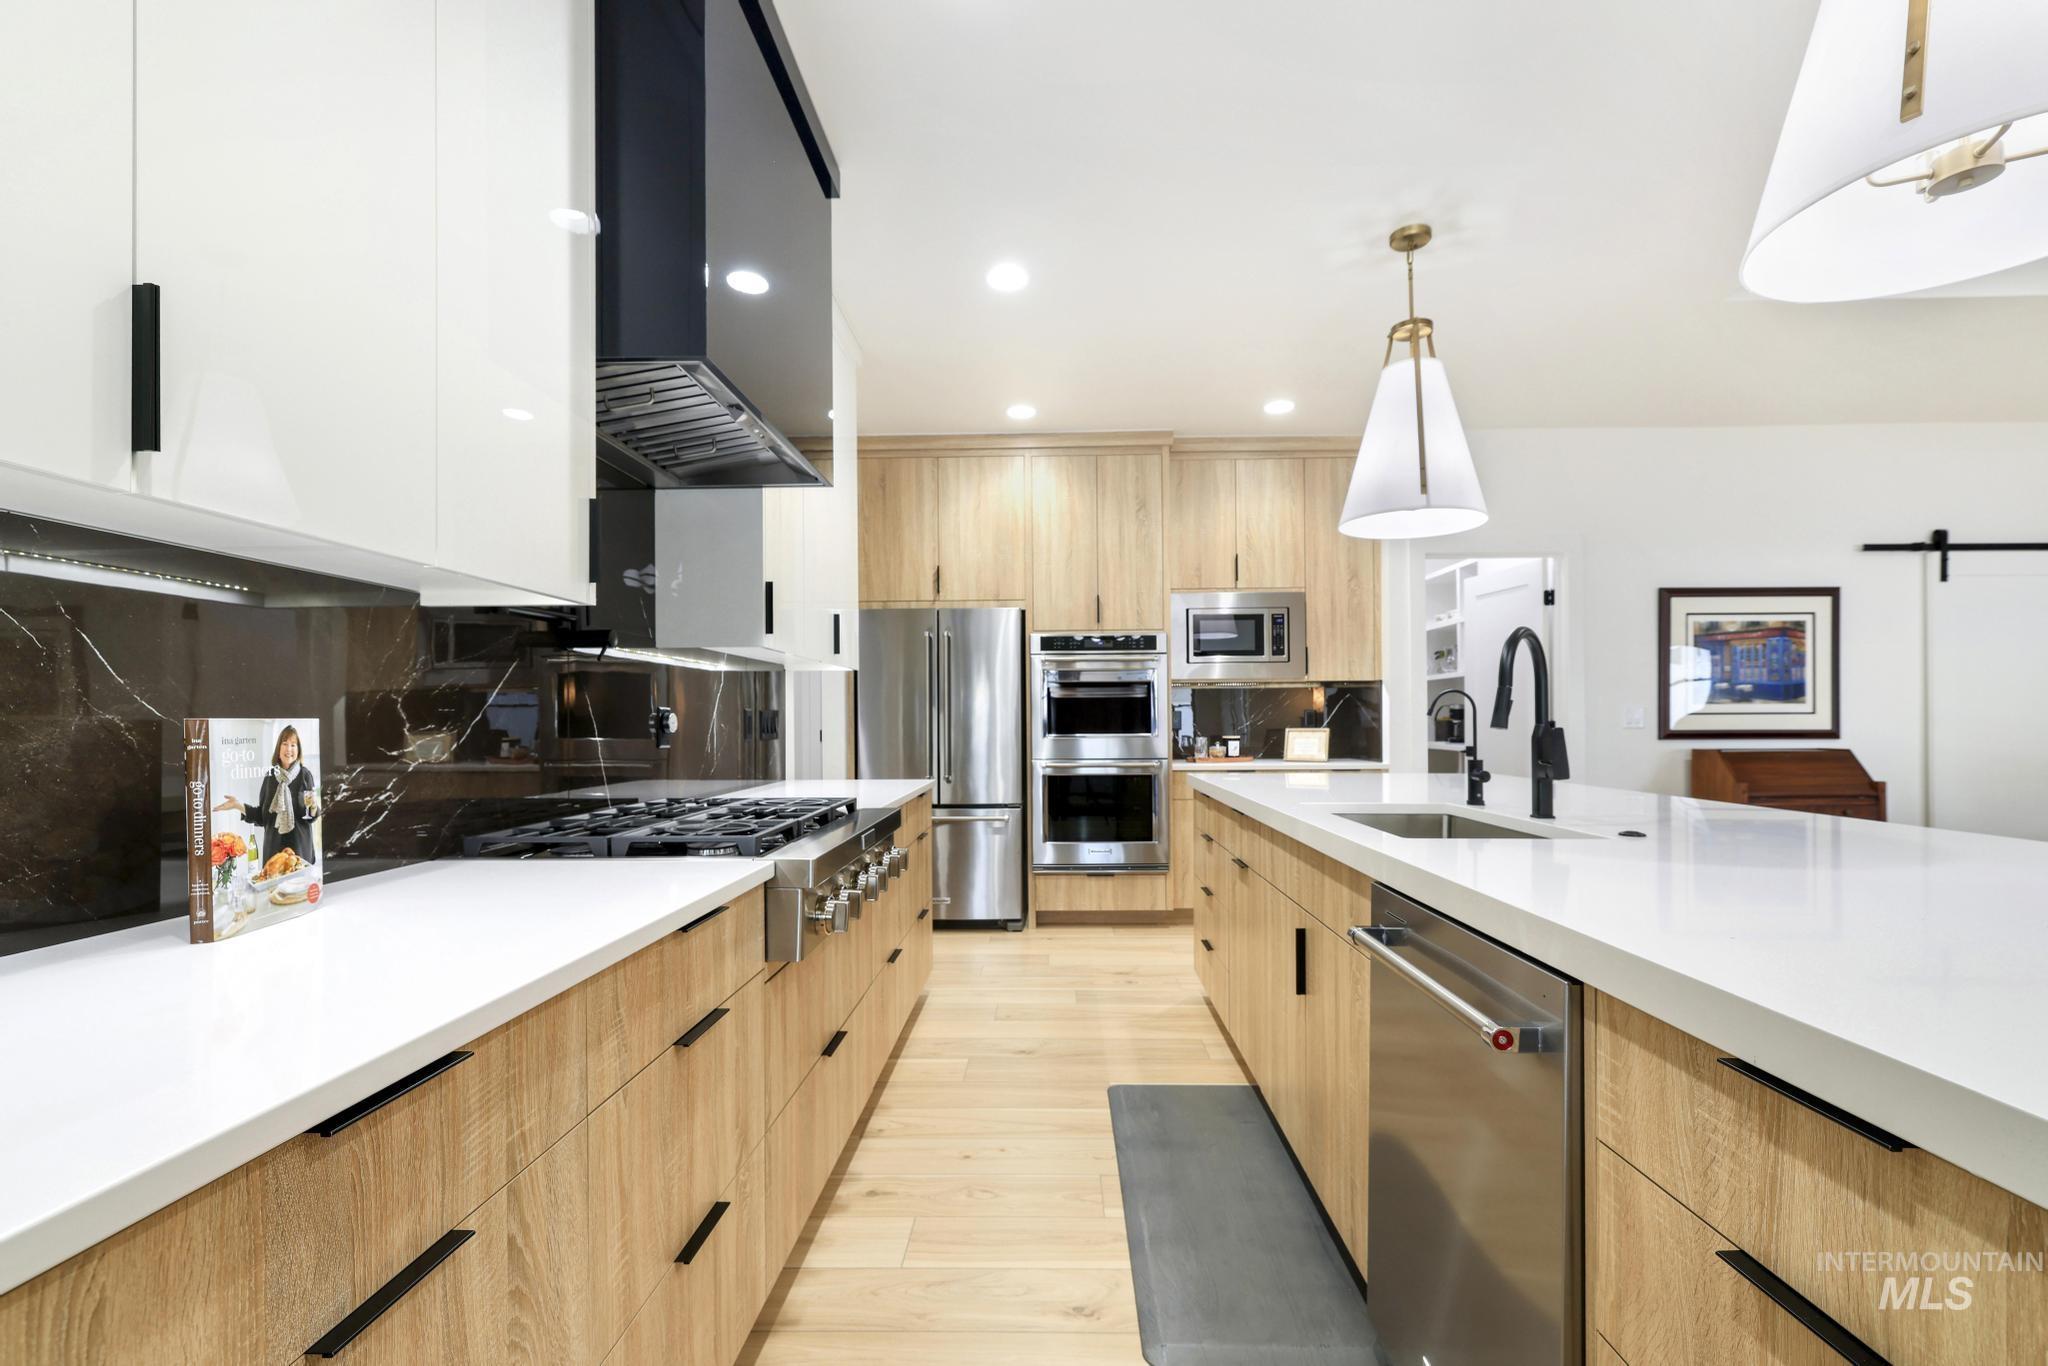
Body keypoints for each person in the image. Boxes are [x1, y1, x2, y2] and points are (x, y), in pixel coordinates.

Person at [214, 725, 319, 869]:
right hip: (273, 854)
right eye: (285, 744)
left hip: (300, 852)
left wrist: (313, 806)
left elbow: (310, 816)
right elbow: (262, 817)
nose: (289, 749)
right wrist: (237, 805)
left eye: (293, 745)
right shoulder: (270, 777)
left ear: (298, 750)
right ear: (278, 749)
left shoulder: (305, 775)